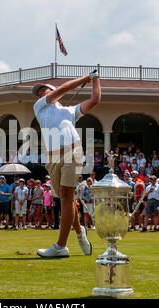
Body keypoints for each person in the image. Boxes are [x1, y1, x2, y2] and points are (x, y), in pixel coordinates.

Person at [33, 71, 100, 257]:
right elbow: (64, 88)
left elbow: (95, 99)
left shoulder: (70, 111)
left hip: (72, 151)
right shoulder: (40, 106)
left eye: (44, 90)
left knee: (65, 197)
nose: (40, 93)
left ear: (53, 91)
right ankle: (80, 232)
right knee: (66, 200)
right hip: (52, 157)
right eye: (39, 92)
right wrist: (85, 78)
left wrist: (94, 79)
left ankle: (61, 246)